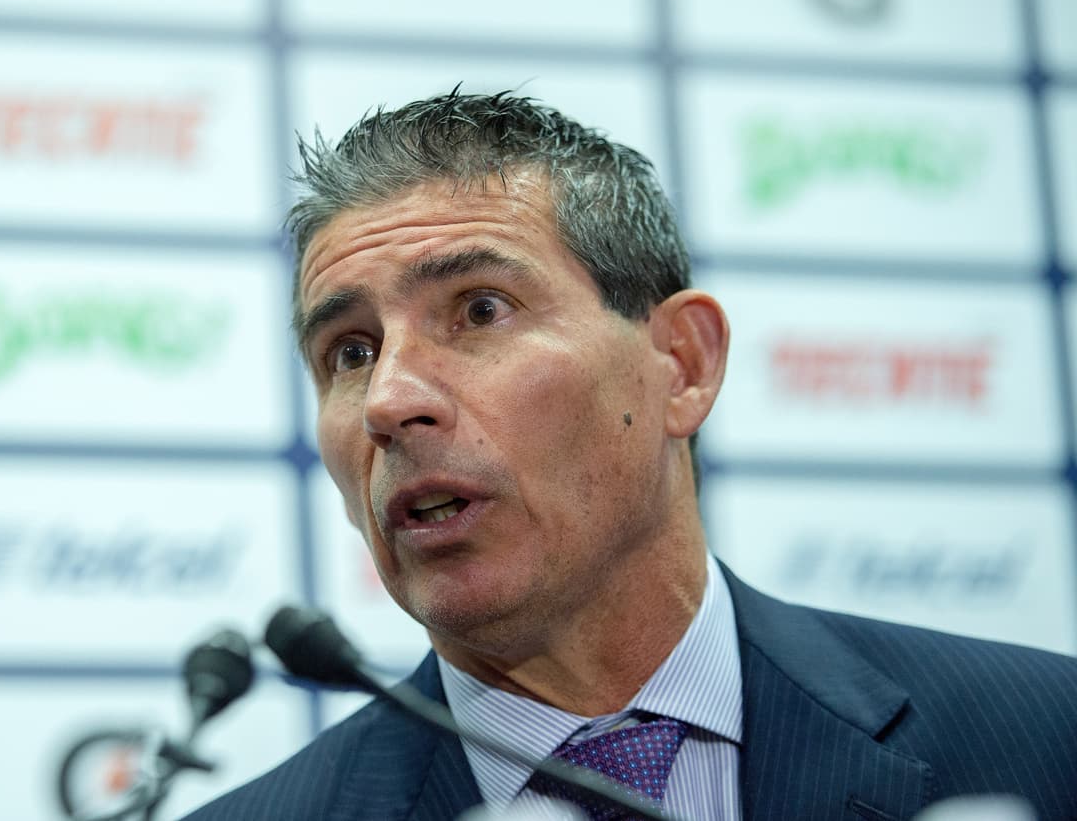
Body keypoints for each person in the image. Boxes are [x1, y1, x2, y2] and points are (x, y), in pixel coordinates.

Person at [183, 91, 1077, 821]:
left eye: (480, 309)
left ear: (681, 366)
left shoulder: (1045, 738)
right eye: (350, 350)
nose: (389, 399)